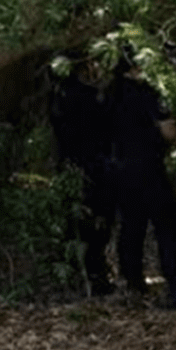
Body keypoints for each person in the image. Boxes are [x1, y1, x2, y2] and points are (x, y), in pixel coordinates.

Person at [108, 52, 176, 308]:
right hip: (150, 169)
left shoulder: (108, 93)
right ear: (136, 65)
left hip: (120, 170)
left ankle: (133, 283)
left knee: (130, 228)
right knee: (166, 229)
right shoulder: (147, 92)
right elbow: (168, 130)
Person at [49, 55, 116, 296]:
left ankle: (79, 273)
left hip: (72, 168)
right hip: (93, 168)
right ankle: (93, 273)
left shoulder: (59, 96)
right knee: (95, 223)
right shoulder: (91, 97)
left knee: (77, 223)